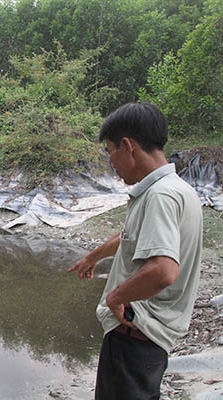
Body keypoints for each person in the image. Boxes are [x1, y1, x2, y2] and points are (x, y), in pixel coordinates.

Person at [69, 102, 203, 399]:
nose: (111, 163)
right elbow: (131, 235)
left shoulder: (160, 196)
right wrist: (94, 256)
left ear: (127, 146)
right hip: (147, 341)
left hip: (135, 336)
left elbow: (163, 271)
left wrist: (115, 296)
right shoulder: (179, 189)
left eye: (110, 152)